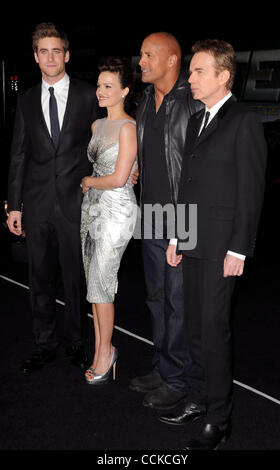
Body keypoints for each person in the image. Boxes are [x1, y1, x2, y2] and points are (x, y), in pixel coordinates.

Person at [161, 39, 267, 450]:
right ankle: (200, 398)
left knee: (214, 329)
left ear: (223, 75)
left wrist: (239, 249)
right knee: (194, 330)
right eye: (191, 71)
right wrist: (177, 235)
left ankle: (220, 418)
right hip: (193, 241)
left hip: (224, 247)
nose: (190, 78)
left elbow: (250, 191)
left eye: (198, 71)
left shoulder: (245, 121)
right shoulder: (194, 121)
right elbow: (187, 186)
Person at [7, 22, 104, 373]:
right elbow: (18, 155)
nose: (50, 57)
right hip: (35, 204)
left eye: (56, 50)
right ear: (35, 56)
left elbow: (101, 144)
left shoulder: (87, 94)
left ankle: (76, 342)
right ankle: (44, 342)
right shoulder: (26, 99)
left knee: (76, 277)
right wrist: (13, 205)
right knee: (39, 277)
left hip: (75, 202)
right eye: (43, 51)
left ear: (67, 54)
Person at [129, 32, 203, 409]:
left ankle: (178, 378)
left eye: (148, 55)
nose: (141, 61)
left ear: (172, 60)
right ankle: (162, 366)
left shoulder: (192, 102)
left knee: (177, 300)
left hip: (181, 215)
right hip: (150, 214)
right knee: (156, 297)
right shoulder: (144, 102)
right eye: (141, 54)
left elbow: (200, 166)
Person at [80, 56, 137, 385]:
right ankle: (102, 347)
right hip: (91, 210)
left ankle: (106, 352)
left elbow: (118, 179)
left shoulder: (129, 127)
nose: (100, 91)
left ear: (124, 91)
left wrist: (88, 182)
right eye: (99, 85)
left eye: (108, 87)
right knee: (94, 286)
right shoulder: (96, 126)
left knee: (103, 286)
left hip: (115, 211)